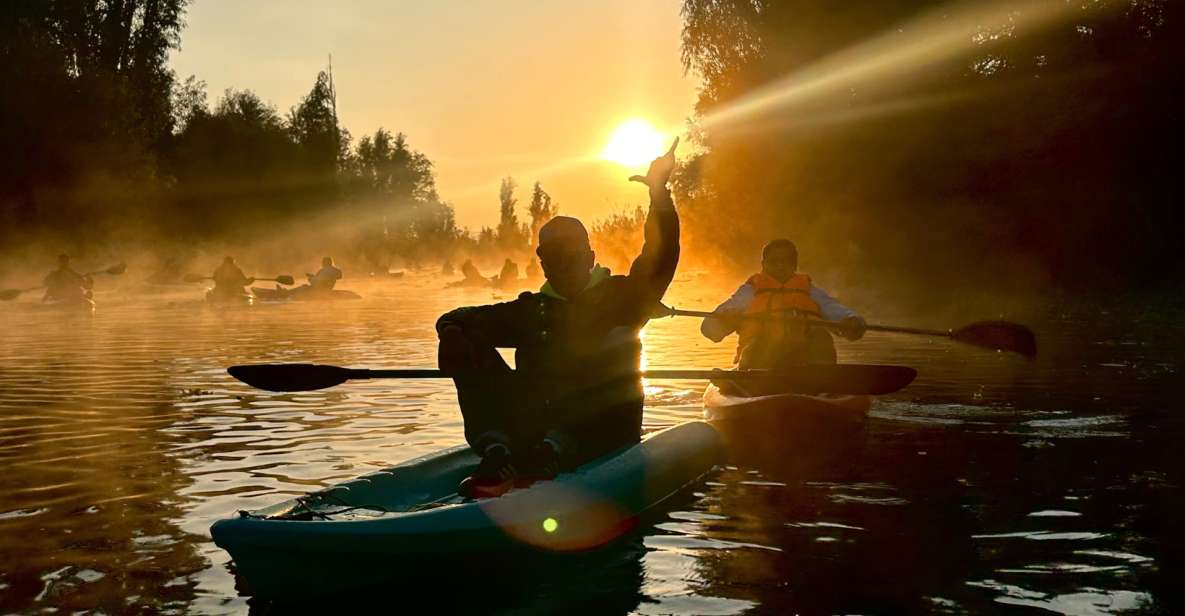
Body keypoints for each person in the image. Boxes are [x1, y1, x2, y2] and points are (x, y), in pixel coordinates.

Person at [436, 139, 680, 498]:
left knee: (615, 341)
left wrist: (659, 194)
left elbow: (661, 254)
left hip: (603, 432)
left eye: (570, 253)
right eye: (551, 254)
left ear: (589, 255)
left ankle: (556, 448)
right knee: (465, 335)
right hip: (532, 433)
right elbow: (457, 316)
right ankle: (498, 449)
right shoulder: (530, 310)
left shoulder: (625, 297)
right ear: (541, 260)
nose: (561, 262)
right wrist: (450, 331)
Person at [701, 239, 866, 370]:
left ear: (794, 266)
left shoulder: (809, 290)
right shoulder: (749, 292)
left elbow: (834, 309)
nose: (779, 266)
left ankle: (822, 384)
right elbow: (709, 329)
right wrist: (725, 321)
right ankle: (757, 383)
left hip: (804, 361)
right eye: (774, 261)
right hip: (758, 366)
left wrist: (851, 321)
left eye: (785, 262)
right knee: (766, 339)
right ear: (763, 264)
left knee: (821, 337)